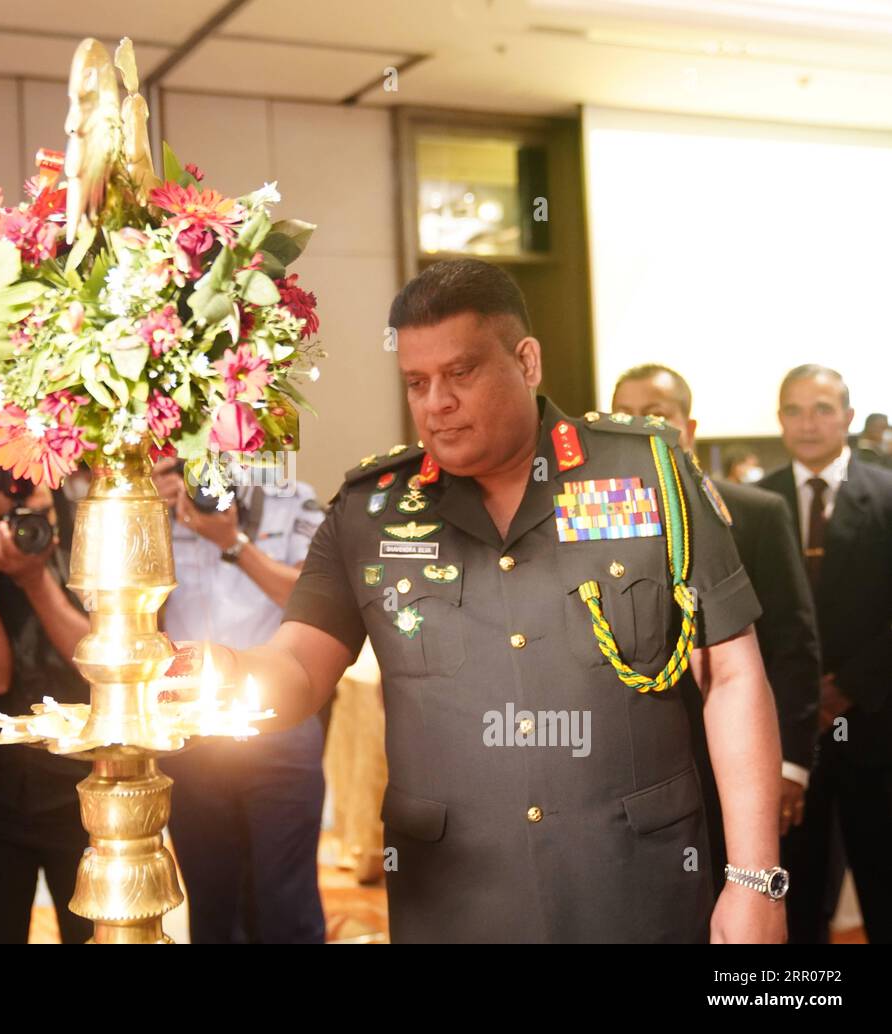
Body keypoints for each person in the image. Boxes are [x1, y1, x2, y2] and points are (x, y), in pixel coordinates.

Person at [172, 258, 786, 943]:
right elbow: (300, 665)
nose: (437, 402)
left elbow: (732, 675)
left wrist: (755, 878)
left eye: (460, 373)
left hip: (633, 887)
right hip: (454, 902)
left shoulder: (646, 476)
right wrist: (225, 672)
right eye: (417, 382)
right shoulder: (371, 510)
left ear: (526, 361)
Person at [610, 364, 821, 888]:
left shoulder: (754, 512)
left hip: (736, 760)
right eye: (625, 416)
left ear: (689, 426)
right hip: (635, 773)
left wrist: (790, 765)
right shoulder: (593, 521)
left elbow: (794, 648)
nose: (640, 428)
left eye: (655, 415)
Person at [153, 457, 327, 944]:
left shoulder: (293, 497)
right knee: (211, 905)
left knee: (284, 902)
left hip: (279, 722)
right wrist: (149, 518)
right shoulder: (159, 508)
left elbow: (309, 598)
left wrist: (231, 542)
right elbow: (136, 616)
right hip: (191, 731)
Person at [758, 365, 892, 944]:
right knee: (796, 889)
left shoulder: (886, 493)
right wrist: (803, 697)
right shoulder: (755, 501)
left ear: (848, 416)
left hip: (875, 722)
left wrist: (848, 687)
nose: (807, 423)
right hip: (789, 735)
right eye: (793, 410)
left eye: (821, 409)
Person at [0, 468, 92, 944]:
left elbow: (93, 663)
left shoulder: (86, 556)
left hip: (80, 788)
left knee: (92, 932)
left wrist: (36, 581)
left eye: (34, 516)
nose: (24, 532)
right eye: (11, 520)